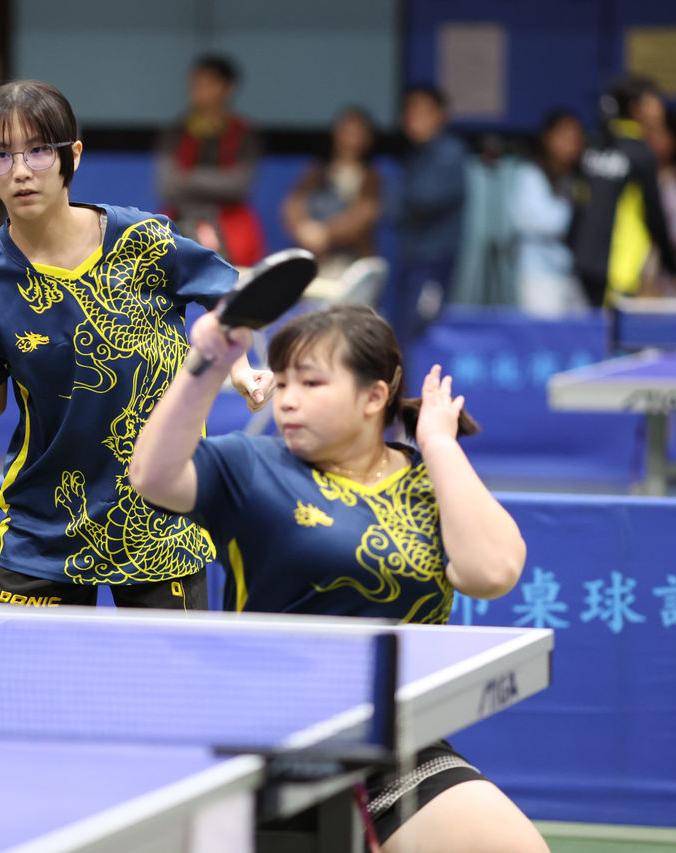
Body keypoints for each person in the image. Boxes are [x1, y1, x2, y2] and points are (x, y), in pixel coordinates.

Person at [128, 304, 542, 851]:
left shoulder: (430, 481)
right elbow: (152, 477)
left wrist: (439, 445)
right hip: (262, 750)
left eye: (312, 382)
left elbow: (492, 572)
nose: (288, 399)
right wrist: (205, 364)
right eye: (283, 381)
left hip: (392, 745)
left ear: (373, 397)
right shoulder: (250, 465)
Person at [0, 80, 270, 609]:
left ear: (72, 155)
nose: (20, 171)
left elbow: (228, 301)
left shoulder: (144, 240)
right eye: (0, 156)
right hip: (46, 530)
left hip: (161, 519)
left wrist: (240, 368)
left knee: (166, 668)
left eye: (38, 150)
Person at [571, 75, 676, 306]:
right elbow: (654, 216)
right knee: (608, 328)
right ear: (635, 109)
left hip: (583, 262)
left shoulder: (594, 146)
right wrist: (673, 267)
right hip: (617, 266)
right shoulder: (641, 154)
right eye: (654, 102)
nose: (660, 109)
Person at [156, 54, 266, 267]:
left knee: (237, 261)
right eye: (196, 84)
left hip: (230, 221)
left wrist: (188, 177)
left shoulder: (244, 133)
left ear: (228, 88)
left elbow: (239, 185)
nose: (199, 91)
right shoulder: (175, 131)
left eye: (209, 84)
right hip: (179, 215)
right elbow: (167, 185)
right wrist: (215, 181)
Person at [386, 86, 467, 350]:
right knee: (401, 333)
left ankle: (424, 380)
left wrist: (405, 202)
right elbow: (392, 211)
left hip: (434, 262)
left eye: (422, 111)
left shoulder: (449, 151)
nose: (413, 118)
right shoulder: (414, 155)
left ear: (441, 115)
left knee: (422, 331)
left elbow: (424, 199)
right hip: (410, 259)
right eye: (409, 111)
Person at [281, 107, 382, 280]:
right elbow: (294, 203)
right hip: (313, 260)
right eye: (346, 131)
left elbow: (364, 215)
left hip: (349, 264)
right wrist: (302, 229)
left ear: (368, 138)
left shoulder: (371, 178)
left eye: (357, 133)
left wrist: (326, 233)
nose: (350, 138)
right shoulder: (316, 171)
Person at [508, 109, 586, 316]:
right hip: (538, 275)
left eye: (575, 138)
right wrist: (579, 216)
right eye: (563, 136)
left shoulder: (576, 178)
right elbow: (541, 222)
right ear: (547, 138)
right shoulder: (530, 173)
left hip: (571, 275)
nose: (570, 144)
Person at [642, 105, 676, 296]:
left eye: (661, 133)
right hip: (642, 266)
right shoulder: (638, 174)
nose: (654, 139)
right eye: (650, 133)